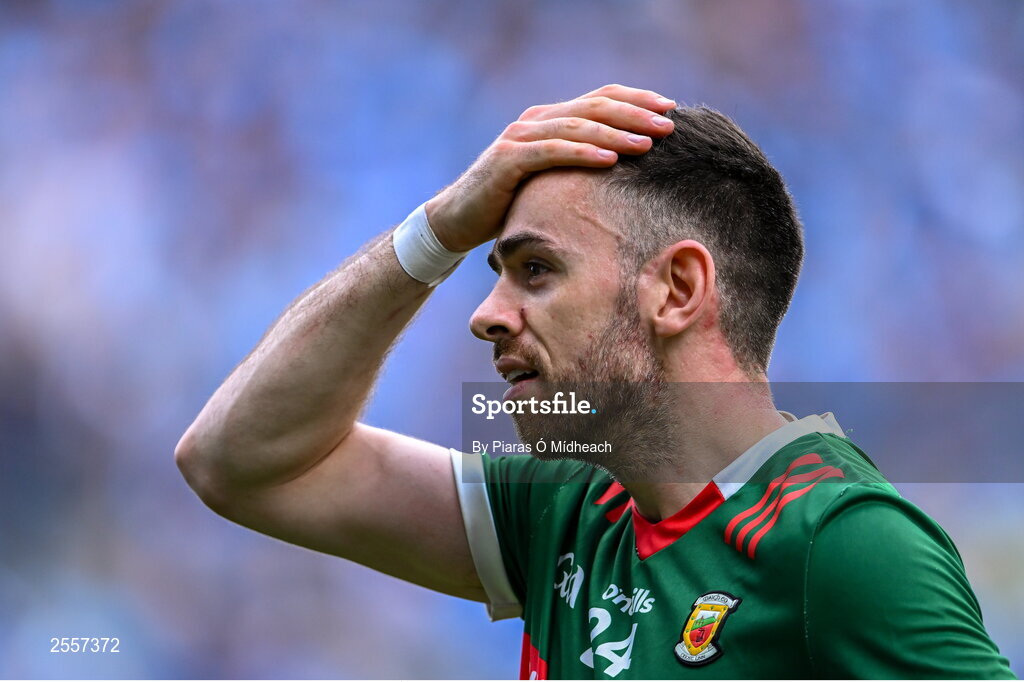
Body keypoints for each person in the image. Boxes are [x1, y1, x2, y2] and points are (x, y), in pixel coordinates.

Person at [175, 84, 1014, 679]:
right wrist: (434, 233)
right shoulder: (568, 509)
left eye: (535, 270)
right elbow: (238, 462)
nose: (486, 317)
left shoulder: (843, 546)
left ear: (677, 290)